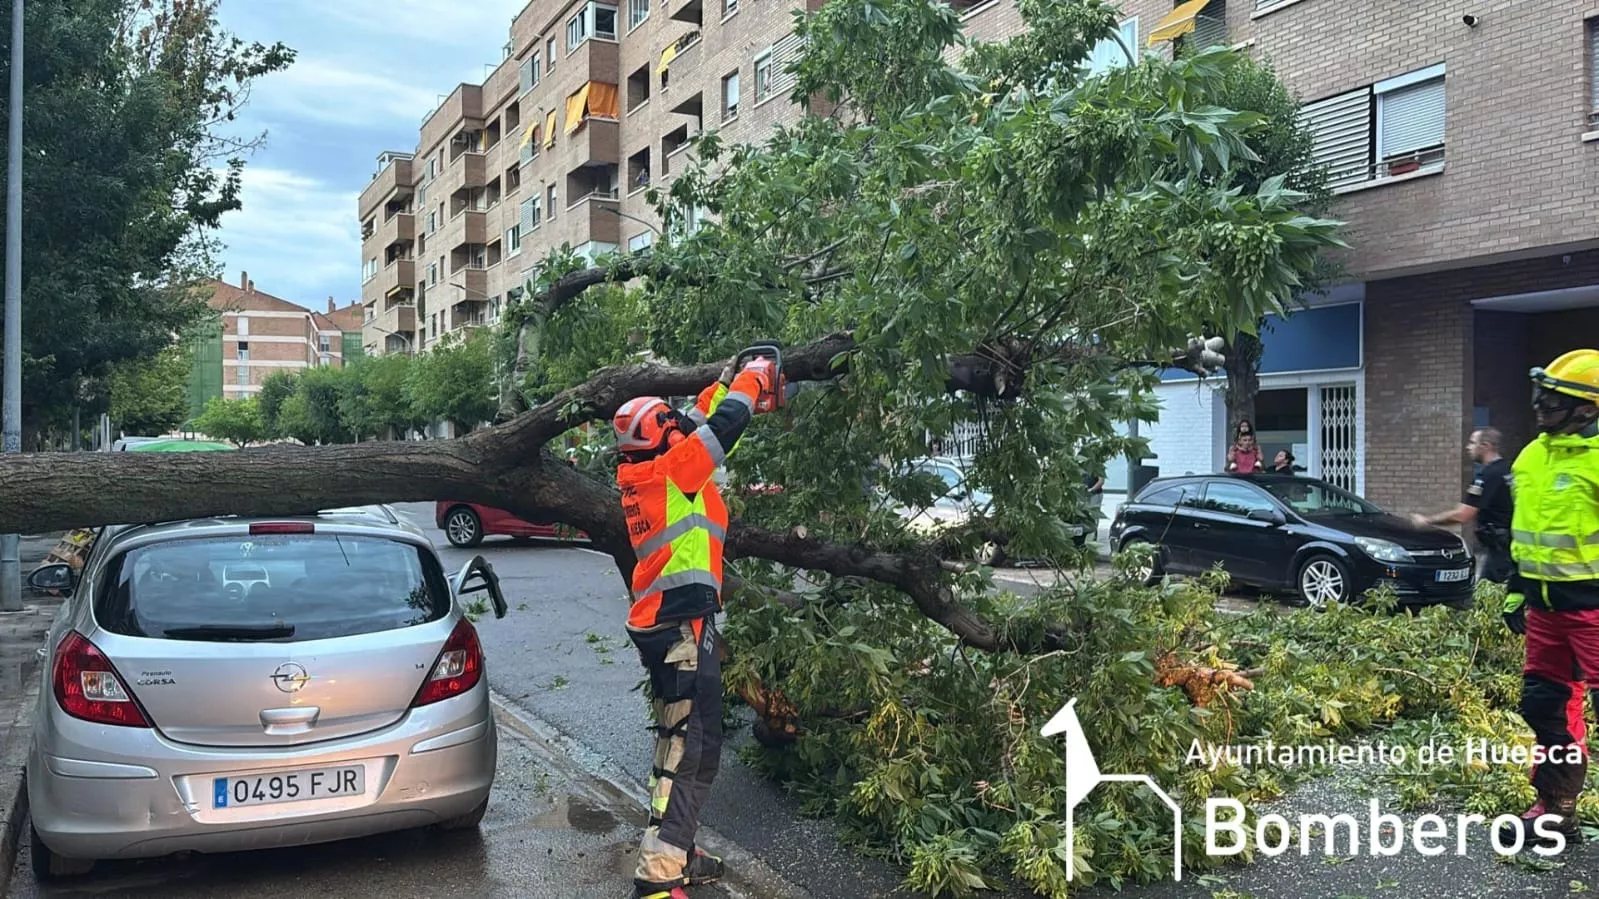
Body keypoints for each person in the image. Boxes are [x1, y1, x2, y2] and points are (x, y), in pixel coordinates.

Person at [612, 353, 778, 899]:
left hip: (671, 622)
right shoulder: (676, 470)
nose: (680, 422)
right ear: (662, 438)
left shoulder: (652, 471)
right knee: (693, 746)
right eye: (670, 419)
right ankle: (657, 876)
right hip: (680, 624)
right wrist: (755, 377)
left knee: (680, 741)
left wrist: (723, 382)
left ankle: (674, 845)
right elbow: (725, 426)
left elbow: (701, 421)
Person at [1495, 349, 1599, 849]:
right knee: (1547, 707)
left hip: (1594, 609)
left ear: (1587, 408)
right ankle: (1556, 811)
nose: (1540, 407)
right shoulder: (1532, 456)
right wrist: (1517, 588)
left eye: (1552, 399)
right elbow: (1525, 531)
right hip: (1545, 608)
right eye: (1540, 397)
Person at [1409, 427, 1514, 583]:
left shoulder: (1487, 476)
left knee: (1487, 593)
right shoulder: (1508, 469)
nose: (1468, 447)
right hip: (1512, 544)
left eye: (1472, 443)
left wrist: (1427, 521)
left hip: (1500, 549)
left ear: (1485, 446)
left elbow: (1462, 515)